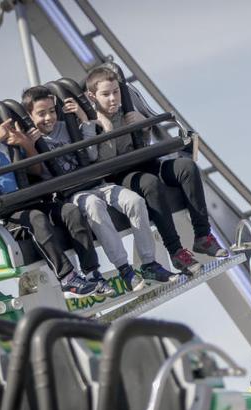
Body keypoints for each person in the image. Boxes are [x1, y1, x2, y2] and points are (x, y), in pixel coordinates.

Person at [22, 85, 175, 291]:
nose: (48, 117)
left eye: (51, 111)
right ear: (29, 116)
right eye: (41, 114)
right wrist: (30, 146)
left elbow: (91, 154)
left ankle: (149, 262)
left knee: (135, 201)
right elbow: (39, 172)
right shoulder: (29, 140)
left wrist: (83, 118)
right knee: (93, 206)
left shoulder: (66, 126)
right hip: (72, 193)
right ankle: (124, 269)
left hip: (98, 183)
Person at [83, 66, 228, 276]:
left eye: (115, 92)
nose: (113, 98)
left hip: (148, 161)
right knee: (150, 184)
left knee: (187, 167)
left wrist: (143, 124)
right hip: (122, 174)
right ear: (92, 96)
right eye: (106, 95)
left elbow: (154, 127)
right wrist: (106, 130)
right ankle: (176, 251)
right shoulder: (90, 122)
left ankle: (203, 236)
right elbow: (99, 160)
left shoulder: (129, 103)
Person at [0, 101, 98, 297]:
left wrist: (25, 144)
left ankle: (92, 272)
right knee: (35, 218)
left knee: (69, 211)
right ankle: (67, 278)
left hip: (27, 201)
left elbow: (34, 170)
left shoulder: (4, 148)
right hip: (1, 215)